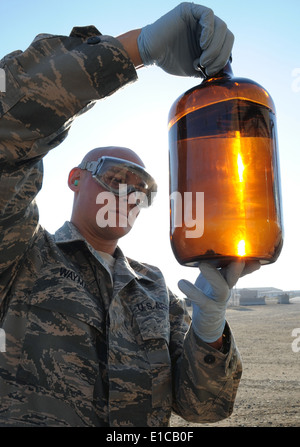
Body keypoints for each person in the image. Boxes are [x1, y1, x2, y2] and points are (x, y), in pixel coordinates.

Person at [0, 3, 260, 427]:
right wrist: (133, 49)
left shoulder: (155, 288)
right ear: (75, 178)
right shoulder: (20, 256)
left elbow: (204, 408)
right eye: (116, 177)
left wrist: (209, 330)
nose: (131, 193)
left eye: (145, 190)